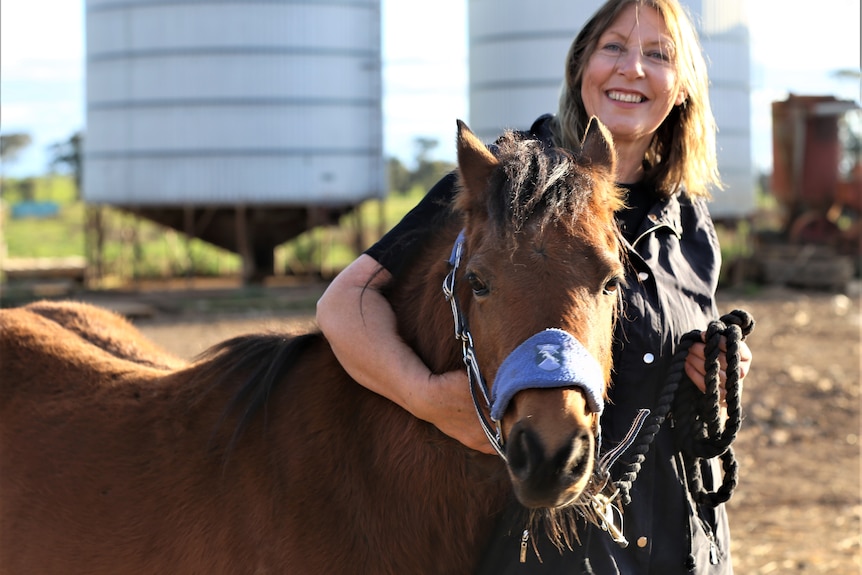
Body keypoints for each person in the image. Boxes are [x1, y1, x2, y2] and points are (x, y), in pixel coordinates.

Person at [316, 0, 753, 573]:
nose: (633, 68)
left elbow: (674, 357)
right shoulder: (502, 184)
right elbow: (344, 303)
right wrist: (423, 394)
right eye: (614, 47)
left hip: (677, 539)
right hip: (549, 552)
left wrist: (717, 369)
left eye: (658, 55)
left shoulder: (690, 225)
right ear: (581, 67)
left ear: (682, 88)